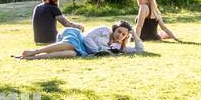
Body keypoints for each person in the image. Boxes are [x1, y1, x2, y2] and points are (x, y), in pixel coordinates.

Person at [16, 21, 144, 59]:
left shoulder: (119, 47)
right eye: (119, 31)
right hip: (77, 37)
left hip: (82, 50)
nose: (120, 35)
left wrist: (134, 34)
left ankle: (33, 58)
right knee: (71, 45)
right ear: (114, 30)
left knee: (71, 54)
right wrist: (101, 50)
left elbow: (139, 50)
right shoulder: (105, 30)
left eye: (123, 34)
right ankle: (34, 51)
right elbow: (87, 38)